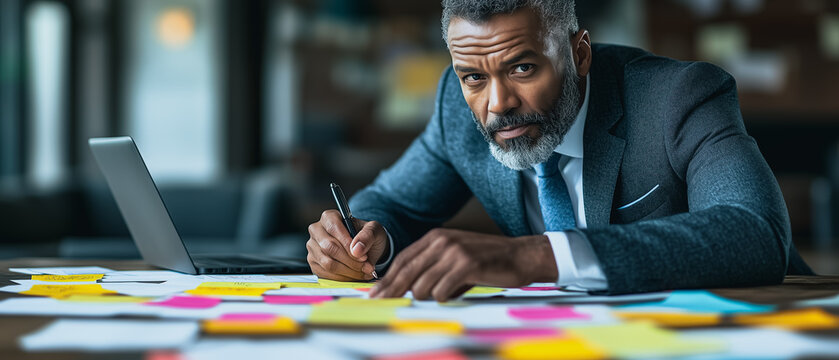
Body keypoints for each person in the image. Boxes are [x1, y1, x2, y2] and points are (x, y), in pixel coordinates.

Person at [305, 0, 813, 301]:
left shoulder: (678, 97)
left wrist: (537, 256)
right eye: (474, 77)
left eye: (523, 68)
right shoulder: (457, 106)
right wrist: (360, 242)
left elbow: (755, 232)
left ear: (579, 53)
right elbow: (392, 204)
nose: (497, 103)